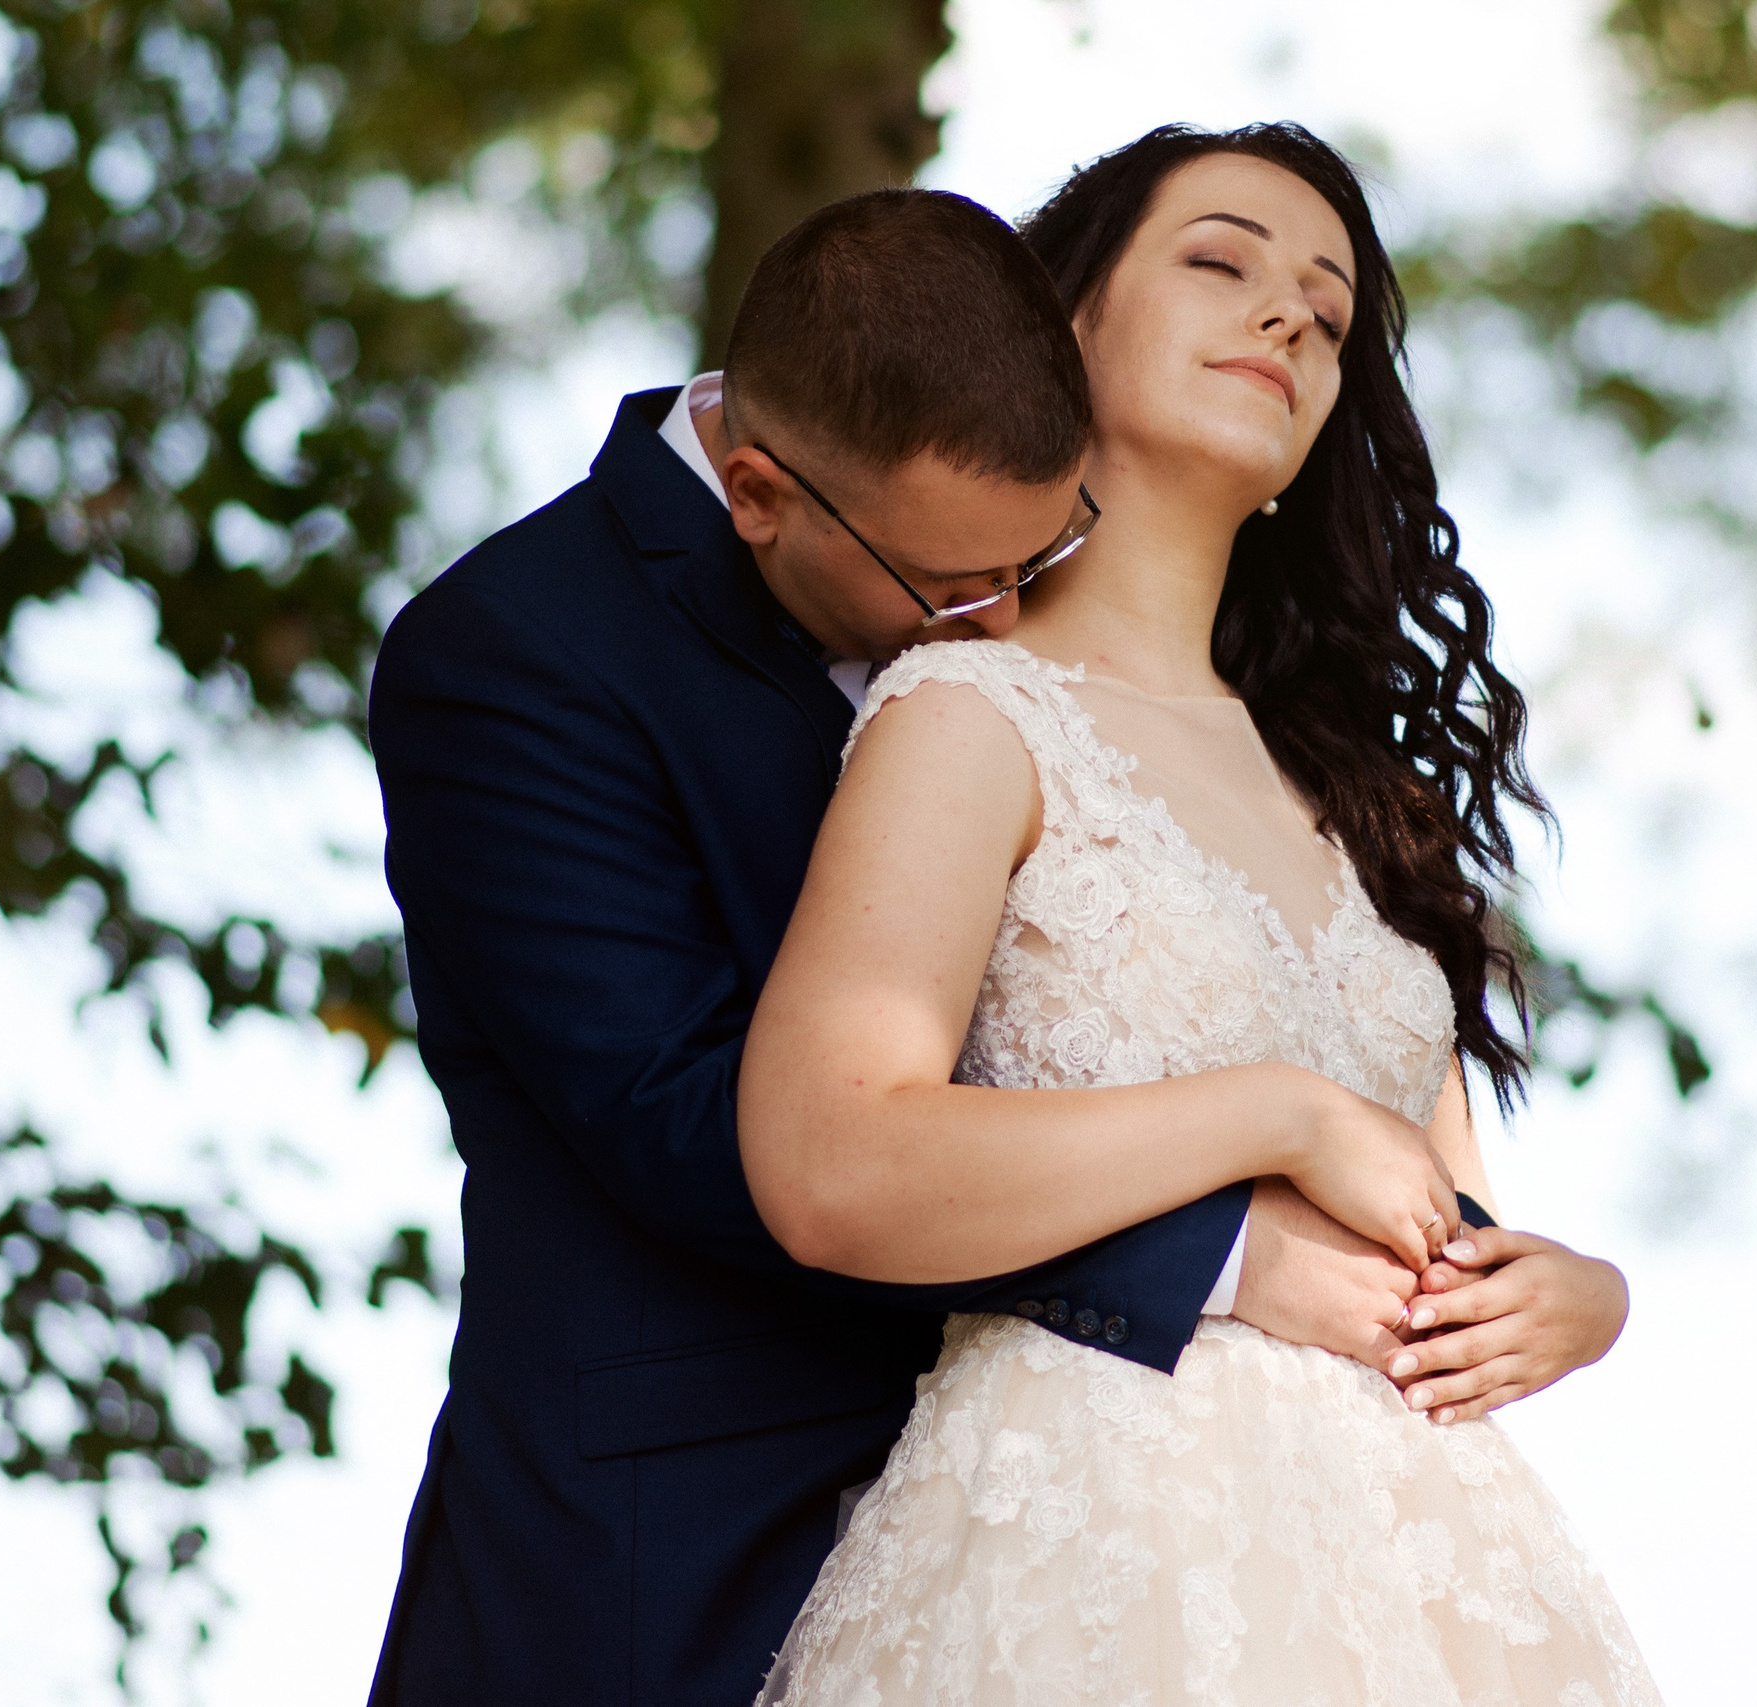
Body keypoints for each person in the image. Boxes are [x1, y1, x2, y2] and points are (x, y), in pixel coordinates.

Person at [365, 186, 1547, 1705]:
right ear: (758, 496)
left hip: (1176, 1553)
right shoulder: (522, 654)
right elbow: (694, 1127)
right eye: (946, 586)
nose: (988, 613)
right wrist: (1227, 1249)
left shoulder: (1155, 685)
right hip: (687, 1546)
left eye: (1039, 548)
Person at [742, 126, 1659, 1704]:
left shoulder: (1371, 809)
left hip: (1423, 1586)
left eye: (1329, 307)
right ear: (1066, 323)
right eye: (1222, 262)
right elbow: (834, 1162)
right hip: (1094, 1541)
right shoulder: (972, 714)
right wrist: (1276, 1115)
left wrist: (1575, 1301)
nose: (1292, 317)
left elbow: (1436, 1222)